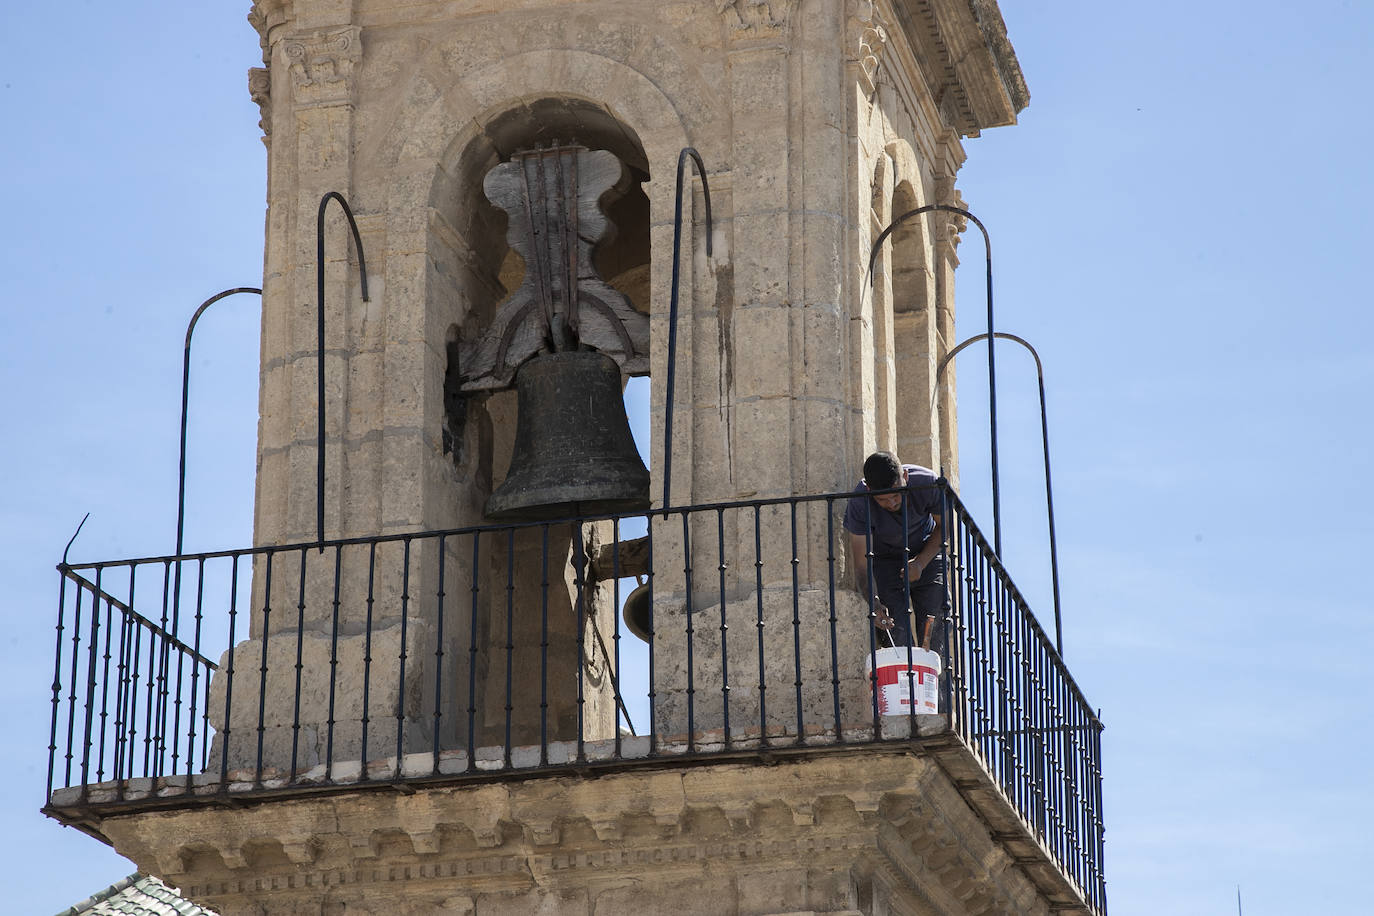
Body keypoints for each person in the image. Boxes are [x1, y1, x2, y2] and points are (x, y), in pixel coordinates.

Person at [843, 451, 945, 649]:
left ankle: (935, 678)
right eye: (882, 500)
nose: (891, 503)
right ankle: (905, 678)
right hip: (884, 563)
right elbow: (863, 566)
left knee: (935, 627)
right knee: (895, 635)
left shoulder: (927, 482)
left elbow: (946, 526)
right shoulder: (859, 504)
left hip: (927, 552)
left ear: (905, 477)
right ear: (869, 489)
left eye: (897, 495)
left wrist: (920, 562)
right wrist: (873, 603)